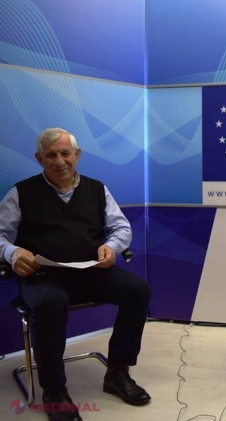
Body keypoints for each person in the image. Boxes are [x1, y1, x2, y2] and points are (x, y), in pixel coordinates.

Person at [0, 128, 151, 421]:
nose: (60, 161)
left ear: (77, 155)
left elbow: (122, 228)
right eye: (51, 155)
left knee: (138, 290)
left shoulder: (97, 189)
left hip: (90, 272)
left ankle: (118, 373)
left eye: (65, 153)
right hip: (43, 276)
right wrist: (13, 253)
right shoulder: (20, 193)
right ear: (39, 159)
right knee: (49, 302)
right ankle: (54, 391)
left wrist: (111, 247)